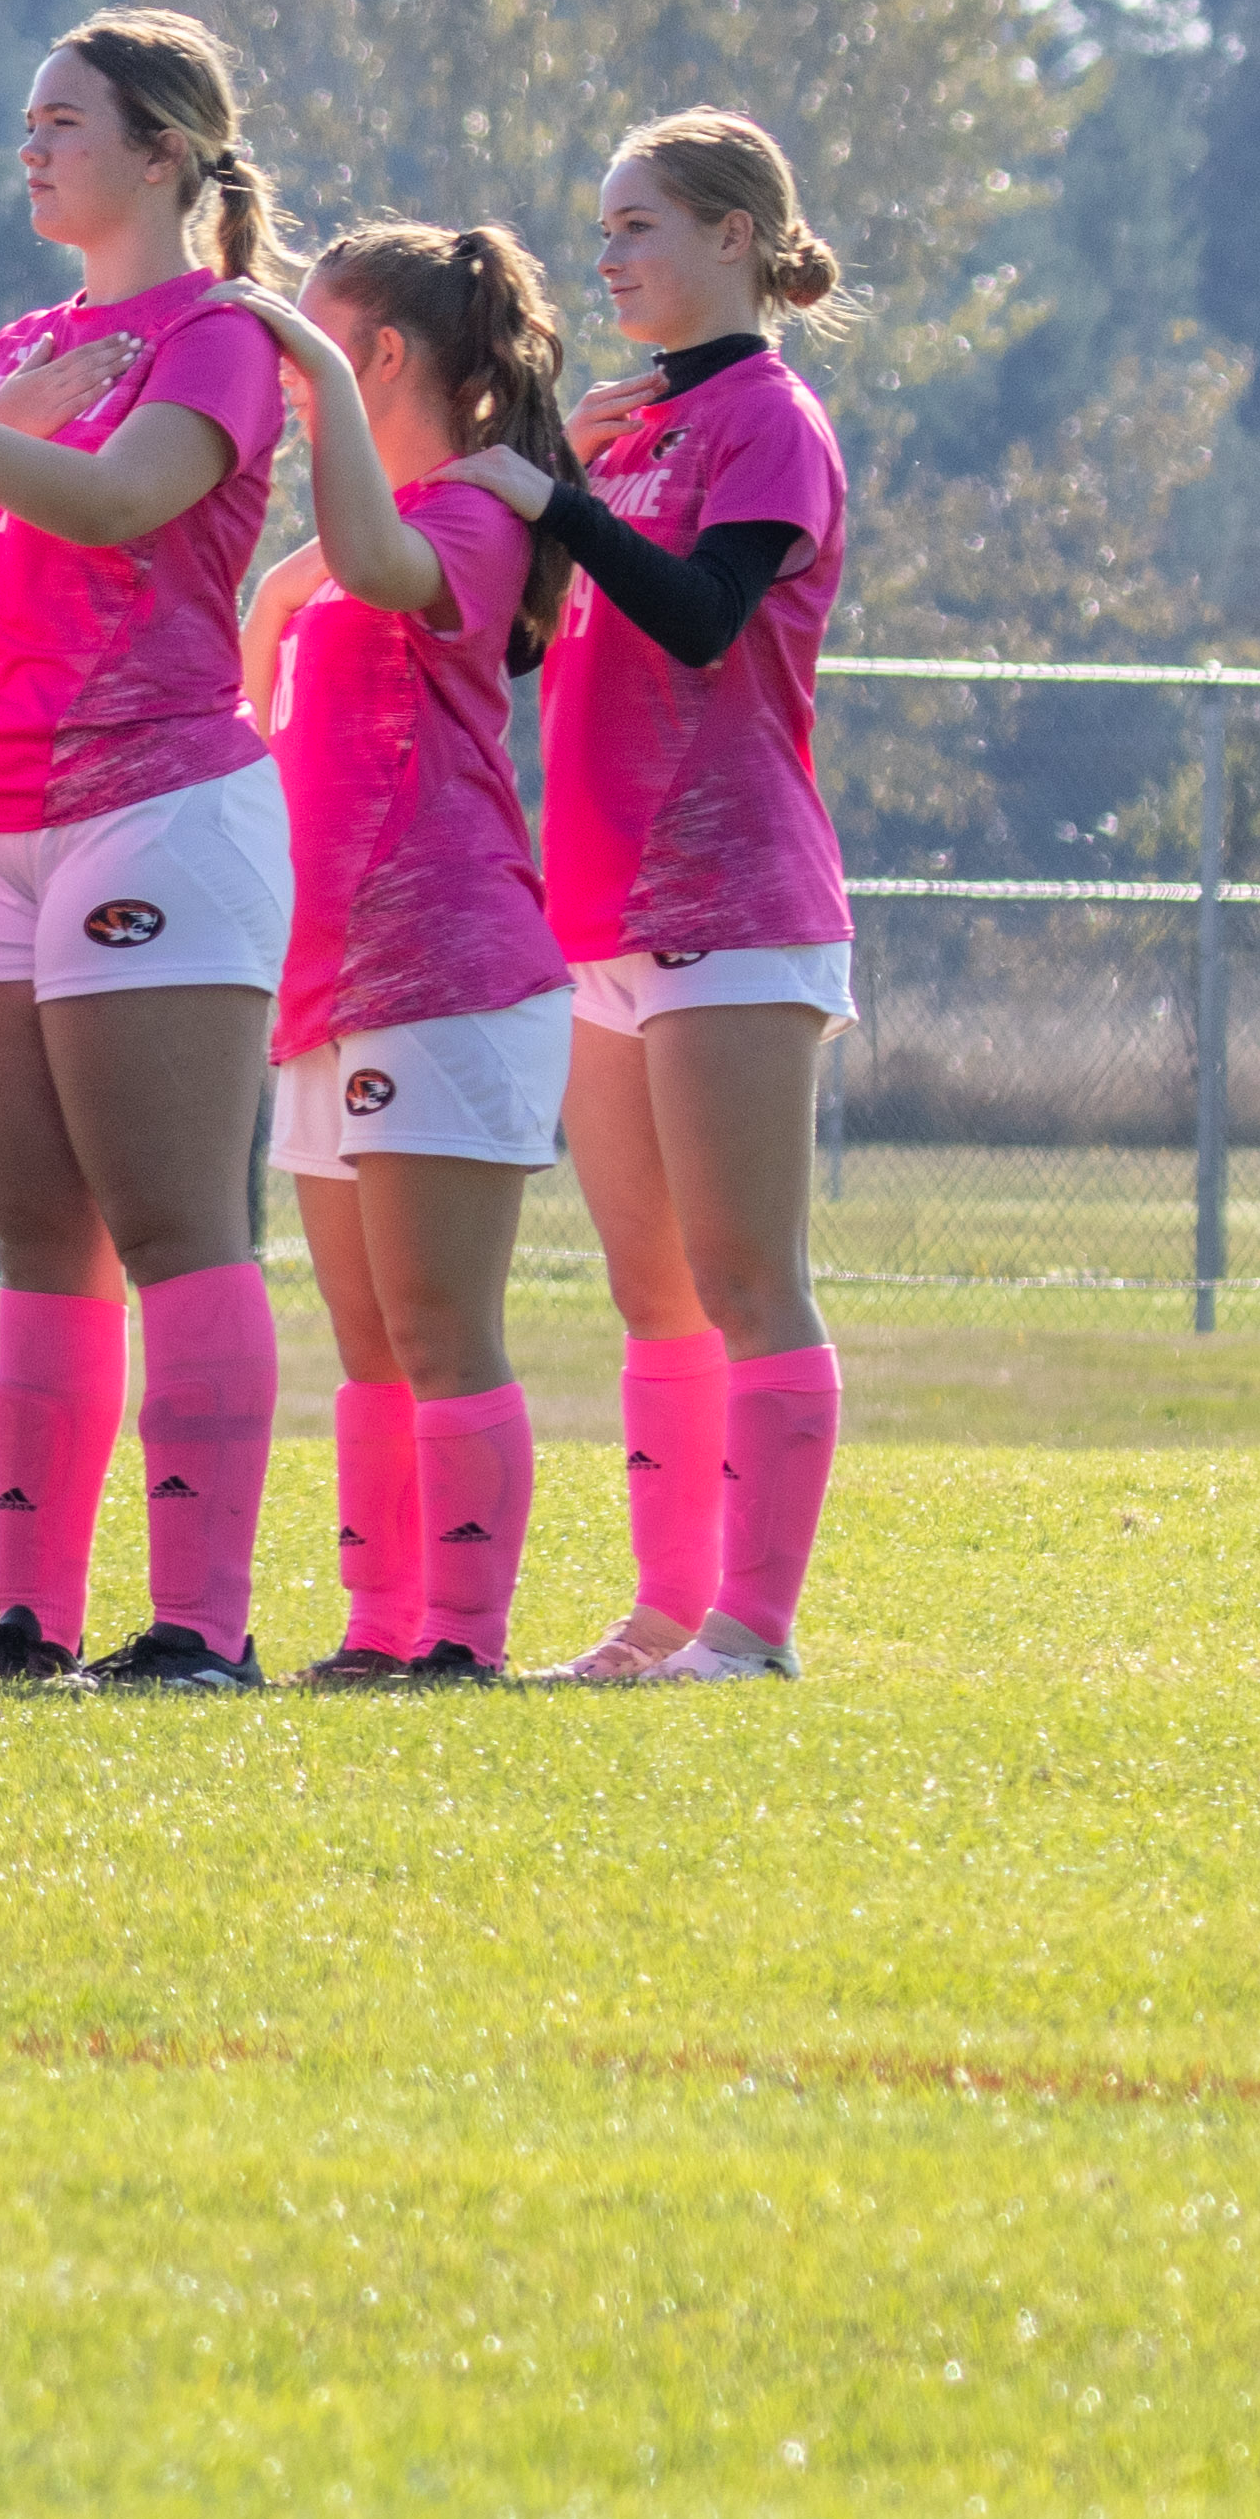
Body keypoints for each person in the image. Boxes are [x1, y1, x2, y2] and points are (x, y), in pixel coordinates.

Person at [0, 8, 295, 1692]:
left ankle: (199, 1628)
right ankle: (29, 1621)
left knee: (173, 1222)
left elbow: (115, 507)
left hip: (157, 799)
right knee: (36, 1231)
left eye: (65, 123)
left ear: (162, 154)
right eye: (26, 120)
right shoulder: (33, 337)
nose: (29, 147)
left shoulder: (224, 333)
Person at [524, 109, 862, 1682]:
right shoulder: (635, 429)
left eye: (641, 223)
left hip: (732, 893)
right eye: (604, 228)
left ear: (736, 238)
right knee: (652, 1289)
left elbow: (707, 620)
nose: (611, 256)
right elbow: (533, 637)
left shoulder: (768, 420)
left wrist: (563, 502)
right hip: (599, 907)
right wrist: (569, 474)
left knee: (742, 1276)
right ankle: (671, 1608)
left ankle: (756, 1625)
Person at [242, 223, 571, 1690]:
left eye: (314, 347)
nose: (289, 381)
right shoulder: (367, 531)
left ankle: (465, 1641)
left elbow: (378, 561)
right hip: (326, 978)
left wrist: (304, 537)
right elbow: (276, 659)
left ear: (375, 355)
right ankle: (380, 1631)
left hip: (446, 964)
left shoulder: (472, 521)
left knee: (440, 1325)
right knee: (366, 1338)